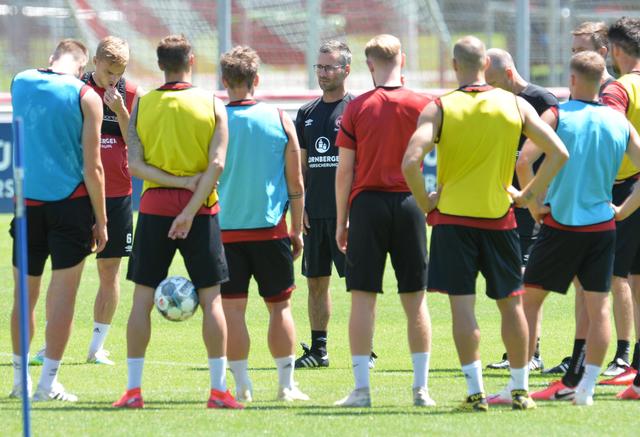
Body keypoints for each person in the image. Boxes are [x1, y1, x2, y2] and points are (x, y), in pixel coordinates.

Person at [403, 35, 568, 412]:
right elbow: (559, 152)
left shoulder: (440, 107)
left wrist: (426, 198)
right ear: (485, 65)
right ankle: (520, 390)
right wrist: (529, 194)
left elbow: (411, 161)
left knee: (463, 307)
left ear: (455, 65)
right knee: (511, 306)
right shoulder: (515, 103)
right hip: (500, 219)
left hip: (454, 220)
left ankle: (476, 393)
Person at [112, 34, 242, 409]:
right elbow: (216, 165)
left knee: (142, 299)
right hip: (200, 210)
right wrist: (189, 206)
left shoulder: (144, 103)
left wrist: (174, 184)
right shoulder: (211, 102)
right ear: (191, 60)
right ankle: (218, 391)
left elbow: (134, 165)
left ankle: (133, 391)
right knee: (212, 300)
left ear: (160, 65)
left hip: (153, 206)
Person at [518, 51, 640, 406]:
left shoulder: (556, 114)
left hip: (561, 224)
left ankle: (518, 384)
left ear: (572, 80)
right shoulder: (619, 121)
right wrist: (622, 210)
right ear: (603, 81)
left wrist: (533, 202)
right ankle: (585, 388)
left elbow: (524, 160)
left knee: (529, 302)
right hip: (602, 227)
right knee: (598, 307)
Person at [29, 36, 143, 367]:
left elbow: (137, 144)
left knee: (110, 271)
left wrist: (120, 110)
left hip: (118, 194)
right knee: (64, 272)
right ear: (94, 62)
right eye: (108, 72)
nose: (113, 80)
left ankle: (97, 347)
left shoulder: (132, 94)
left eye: (118, 73)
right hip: (76, 193)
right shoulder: (73, 89)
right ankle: (47, 347)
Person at [334, 34, 434, 408]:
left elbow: (344, 172)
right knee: (415, 299)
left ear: (369, 64)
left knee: (363, 298)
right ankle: (421, 389)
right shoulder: (424, 104)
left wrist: (342, 219)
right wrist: (432, 200)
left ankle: (361, 390)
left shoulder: (357, 107)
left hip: (368, 205)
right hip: (410, 204)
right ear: (403, 60)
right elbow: (440, 158)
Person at [9, 39, 107, 401]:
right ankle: (48, 383)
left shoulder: (20, 81)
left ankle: (21, 382)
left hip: (27, 206)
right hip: (71, 205)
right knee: (62, 298)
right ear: (82, 68)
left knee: (24, 298)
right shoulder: (87, 96)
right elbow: (93, 166)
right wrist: (102, 219)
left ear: (51, 58)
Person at [217, 46, 309, 403]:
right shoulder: (279, 118)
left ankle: (242, 385)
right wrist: (297, 229)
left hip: (224, 232)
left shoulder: (215, 119)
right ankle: (286, 386)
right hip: (271, 230)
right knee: (280, 308)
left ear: (225, 81)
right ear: (257, 79)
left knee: (233, 311)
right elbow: (296, 183)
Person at [293, 40, 378, 369]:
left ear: (346, 69)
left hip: (351, 216)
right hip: (315, 216)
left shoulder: (358, 109)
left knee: (359, 285)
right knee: (315, 282)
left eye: (329, 67)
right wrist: (300, 210)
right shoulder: (306, 113)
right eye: (319, 67)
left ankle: (365, 351)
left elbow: (365, 164)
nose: (323, 73)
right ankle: (319, 351)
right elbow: (302, 168)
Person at [484, 47, 559, 373]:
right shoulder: (496, 102)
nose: (490, 89)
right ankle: (519, 351)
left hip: (532, 203)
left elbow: (541, 154)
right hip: (503, 201)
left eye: (494, 82)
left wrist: (533, 197)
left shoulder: (541, 100)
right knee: (510, 279)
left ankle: (532, 353)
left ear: (510, 74)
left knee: (528, 281)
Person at [601, 17, 640, 400]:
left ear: (614, 50)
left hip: (627, 189)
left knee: (618, 277)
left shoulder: (619, 87)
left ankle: (623, 358)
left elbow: (610, 131)